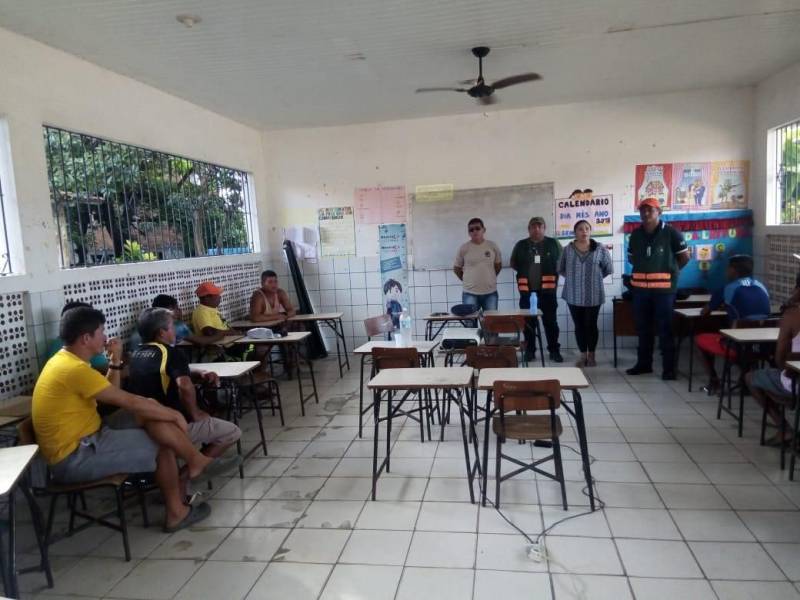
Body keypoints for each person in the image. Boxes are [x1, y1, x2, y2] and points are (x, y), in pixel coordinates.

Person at [31, 306, 242, 532]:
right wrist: (174, 414)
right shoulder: (72, 369)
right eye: (101, 331)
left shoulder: (68, 361)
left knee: (149, 407)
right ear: (86, 338)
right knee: (163, 443)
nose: (105, 336)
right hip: (75, 456)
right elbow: (125, 400)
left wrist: (115, 360)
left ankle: (195, 462)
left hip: (90, 435)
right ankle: (176, 512)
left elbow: (111, 394)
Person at [128, 308, 242, 497]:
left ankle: (183, 476)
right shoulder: (171, 353)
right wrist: (196, 413)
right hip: (173, 426)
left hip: (143, 426)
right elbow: (185, 386)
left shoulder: (136, 355)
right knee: (232, 432)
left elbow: (167, 374)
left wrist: (197, 372)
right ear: (162, 332)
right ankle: (187, 475)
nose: (175, 330)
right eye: (172, 326)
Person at [626, 197, 690, 379]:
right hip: (640, 292)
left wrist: (671, 272)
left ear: (659, 213)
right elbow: (632, 258)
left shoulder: (671, 233)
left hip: (664, 292)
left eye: (650, 210)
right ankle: (644, 364)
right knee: (643, 329)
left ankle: (669, 369)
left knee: (665, 329)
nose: (646, 213)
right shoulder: (636, 235)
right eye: (643, 210)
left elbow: (684, 258)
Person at [695, 255, 770, 394]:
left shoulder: (727, 288)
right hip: (765, 346)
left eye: (727, 269)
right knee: (746, 346)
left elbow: (704, 312)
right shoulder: (761, 286)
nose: (726, 272)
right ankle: (747, 380)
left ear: (733, 270)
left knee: (699, 339)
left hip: (738, 345)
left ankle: (714, 382)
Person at [557, 219, 613, 367]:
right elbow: (560, 268)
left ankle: (592, 355)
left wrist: (593, 279)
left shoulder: (600, 248)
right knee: (579, 325)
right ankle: (582, 356)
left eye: (587, 228)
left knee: (591, 325)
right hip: (573, 294)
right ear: (575, 232)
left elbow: (608, 269)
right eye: (580, 229)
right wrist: (574, 279)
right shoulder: (567, 249)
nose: (584, 231)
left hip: (593, 294)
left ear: (590, 231)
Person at [510, 216, 563, 362]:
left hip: (548, 292)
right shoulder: (520, 245)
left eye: (540, 226)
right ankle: (530, 351)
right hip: (527, 293)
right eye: (533, 226)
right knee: (528, 324)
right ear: (529, 229)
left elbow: (562, 262)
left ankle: (554, 351)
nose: (537, 229)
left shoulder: (553, 244)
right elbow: (513, 264)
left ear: (544, 228)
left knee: (550, 323)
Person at [746, 307, 800, 446]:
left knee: (750, 377)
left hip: (795, 384)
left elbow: (780, 358)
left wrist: (786, 370)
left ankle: (784, 428)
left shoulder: (792, 316)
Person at [44, 301, 113, 372]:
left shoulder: (58, 346)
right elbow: (107, 373)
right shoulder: (85, 349)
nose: (105, 337)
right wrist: (115, 360)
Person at [453, 218, 502, 311]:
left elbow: (498, 265)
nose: (474, 231)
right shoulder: (464, 248)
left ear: (484, 230)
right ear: (469, 233)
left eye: (477, 228)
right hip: (470, 294)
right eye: (471, 230)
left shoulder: (492, 246)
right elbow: (456, 268)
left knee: (491, 323)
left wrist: (490, 278)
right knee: (470, 324)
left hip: (490, 293)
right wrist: (467, 280)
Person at [128, 294, 206, 350]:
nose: (179, 310)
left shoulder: (141, 326)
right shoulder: (177, 326)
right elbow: (201, 343)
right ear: (170, 310)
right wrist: (218, 335)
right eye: (177, 308)